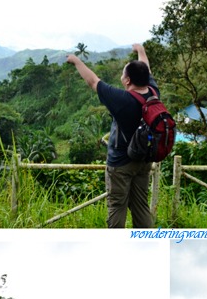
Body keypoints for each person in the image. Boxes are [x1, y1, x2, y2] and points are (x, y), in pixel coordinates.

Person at [66, 44, 157, 228]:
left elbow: (93, 81)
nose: (121, 77)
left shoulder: (121, 99)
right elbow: (146, 67)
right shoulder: (153, 92)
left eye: (123, 75)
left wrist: (76, 61)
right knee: (141, 206)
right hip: (144, 160)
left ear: (128, 80)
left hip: (121, 164)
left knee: (117, 206)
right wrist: (141, 51)